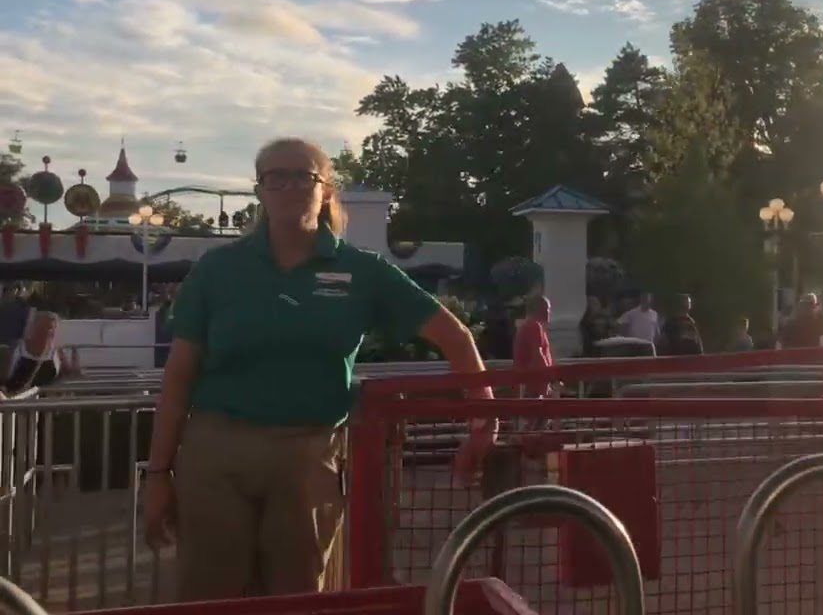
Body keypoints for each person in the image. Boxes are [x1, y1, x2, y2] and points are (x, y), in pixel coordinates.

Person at [141, 137, 496, 601]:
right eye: (275, 177)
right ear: (259, 190)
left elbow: (456, 336)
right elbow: (179, 375)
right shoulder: (218, 268)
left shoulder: (361, 271)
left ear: (325, 189)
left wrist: (483, 420)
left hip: (307, 457)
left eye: (302, 176)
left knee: (299, 595)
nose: (289, 186)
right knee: (208, 596)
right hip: (216, 454)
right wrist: (158, 474)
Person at [514, 295, 556, 397]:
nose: (549, 312)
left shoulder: (526, 326)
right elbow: (537, 355)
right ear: (538, 309)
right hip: (534, 385)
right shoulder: (533, 326)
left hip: (529, 383)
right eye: (547, 308)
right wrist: (548, 380)